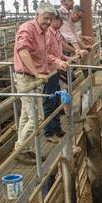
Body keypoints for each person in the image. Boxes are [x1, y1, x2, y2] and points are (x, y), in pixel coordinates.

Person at [13, 3, 64, 165]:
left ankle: (23, 149)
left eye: (51, 19)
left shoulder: (42, 33)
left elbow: (45, 54)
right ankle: (20, 149)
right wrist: (36, 73)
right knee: (37, 117)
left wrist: (57, 62)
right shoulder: (27, 28)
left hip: (34, 77)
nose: (48, 21)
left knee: (27, 115)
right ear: (37, 15)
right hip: (26, 77)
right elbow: (23, 51)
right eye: (46, 18)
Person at [43, 15, 71, 143]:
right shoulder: (47, 34)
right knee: (49, 101)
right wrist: (59, 61)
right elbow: (46, 54)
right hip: (48, 71)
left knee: (56, 100)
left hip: (55, 70)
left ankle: (57, 128)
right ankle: (49, 133)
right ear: (54, 20)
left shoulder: (57, 34)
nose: (61, 23)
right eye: (60, 21)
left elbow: (57, 53)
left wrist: (65, 58)